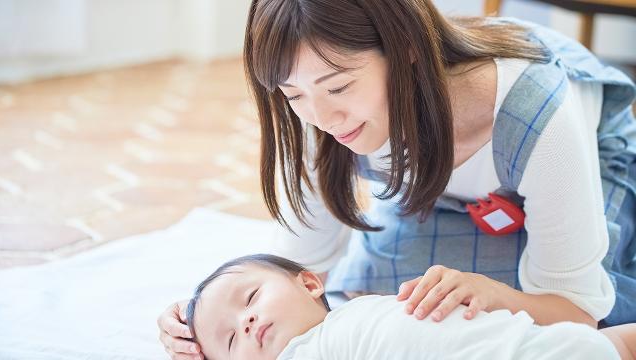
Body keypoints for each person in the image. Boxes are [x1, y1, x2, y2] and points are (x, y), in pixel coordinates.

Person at [157, 0, 636, 358]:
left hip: (588, 159)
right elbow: (296, 273)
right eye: (292, 95)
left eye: (340, 86)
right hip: (441, 194)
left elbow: (576, 310)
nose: (322, 116)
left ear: (404, 48)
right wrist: (205, 322)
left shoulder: (537, 115)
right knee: (385, 308)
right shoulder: (316, 109)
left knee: (522, 328)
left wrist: (496, 295)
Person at [185, 254, 635, 360]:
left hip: (519, 343)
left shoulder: (355, 313)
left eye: (250, 298)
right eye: (228, 340)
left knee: (598, 344)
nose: (245, 322)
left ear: (308, 282)